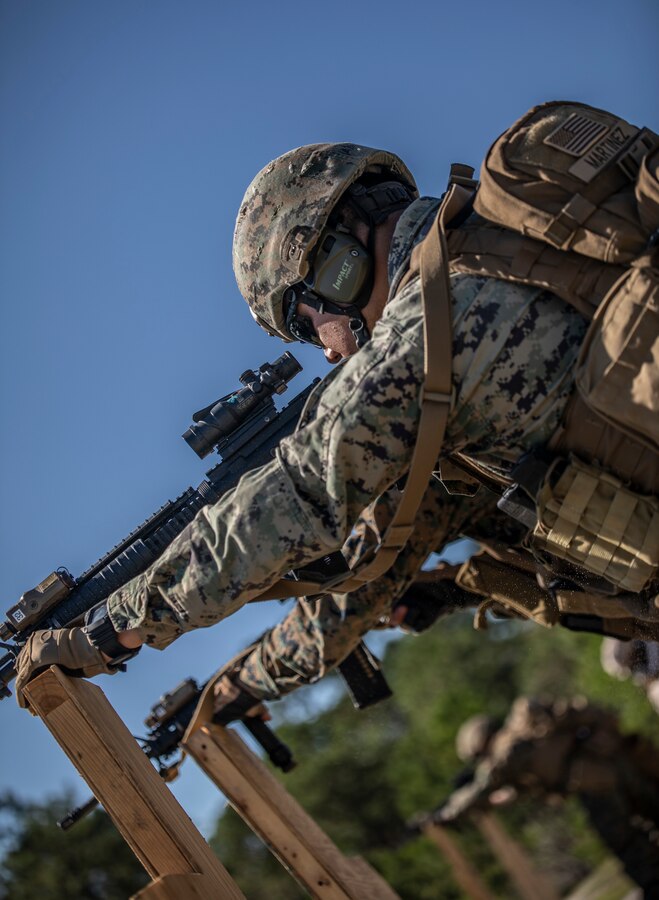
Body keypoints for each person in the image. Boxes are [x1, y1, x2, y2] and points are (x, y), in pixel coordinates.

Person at [15, 118, 659, 708]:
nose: (323, 350)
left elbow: (298, 497)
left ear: (331, 263)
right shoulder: (511, 242)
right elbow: (385, 555)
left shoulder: (424, 337)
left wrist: (109, 629)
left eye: (302, 320)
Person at [424, 698, 659, 893]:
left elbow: (481, 788)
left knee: (630, 848)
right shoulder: (524, 731)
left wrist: (445, 814)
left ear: (481, 747)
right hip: (614, 765)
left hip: (593, 784)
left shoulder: (505, 751)